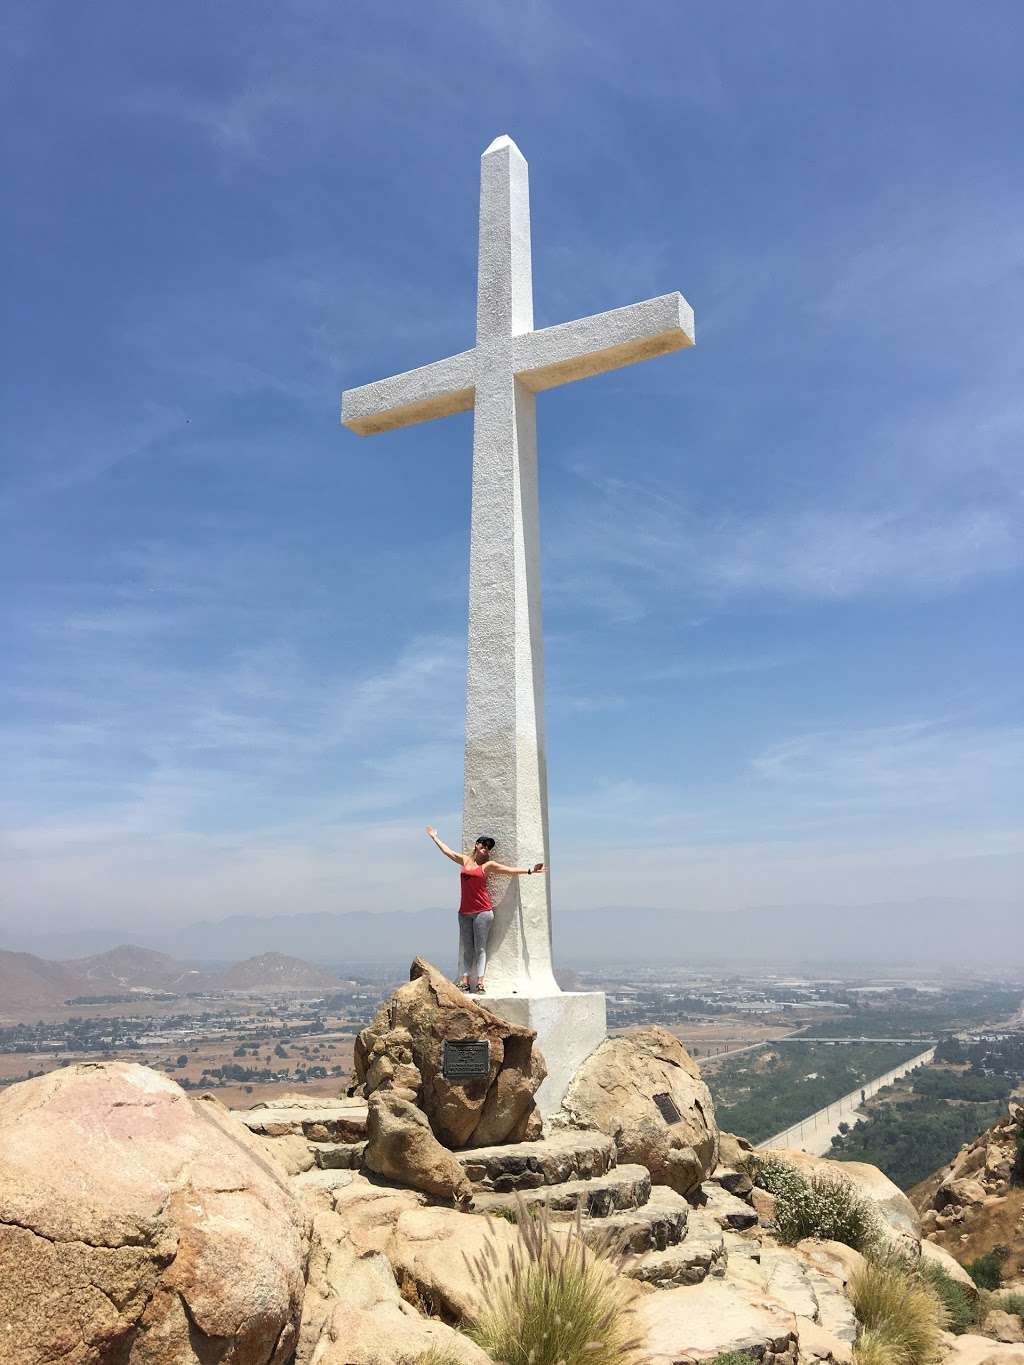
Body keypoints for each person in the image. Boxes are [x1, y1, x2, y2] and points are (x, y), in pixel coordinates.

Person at [425, 826, 545, 993]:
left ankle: (480, 982)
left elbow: (509, 870)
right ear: (476, 845)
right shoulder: (465, 861)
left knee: (480, 948)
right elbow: (448, 852)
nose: (486, 849)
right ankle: (465, 981)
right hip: (464, 912)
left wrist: (531, 870)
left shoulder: (488, 866)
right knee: (468, 948)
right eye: (483, 846)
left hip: (483, 911)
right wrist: (434, 837)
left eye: (488, 848)